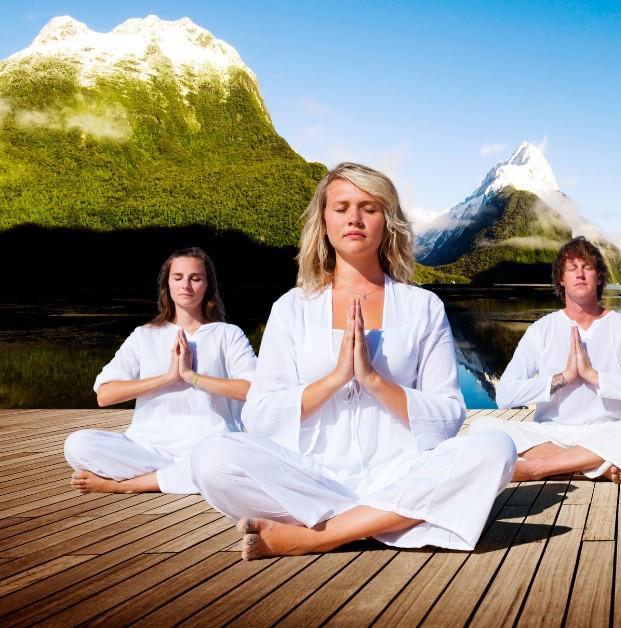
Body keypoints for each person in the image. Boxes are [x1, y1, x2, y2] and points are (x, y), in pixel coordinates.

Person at [190, 163, 516, 560]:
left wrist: (374, 380)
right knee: (210, 458)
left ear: (387, 222)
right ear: (323, 221)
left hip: (400, 472)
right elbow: (260, 414)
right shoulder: (292, 308)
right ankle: (385, 520)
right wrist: (336, 378)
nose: (354, 219)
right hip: (312, 477)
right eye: (341, 207)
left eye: (369, 208)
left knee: (497, 447)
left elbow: (448, 415)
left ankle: (321, 535)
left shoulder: (422, 307)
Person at [470, 237, 621, 484]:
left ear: (600, 276)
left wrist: (594, 377)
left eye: (587, 267)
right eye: (572, 268)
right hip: (553, 434)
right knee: (482, 428)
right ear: (561, 279)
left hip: (611, 432)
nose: (580, 274)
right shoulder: (541, 329)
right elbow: (504, 395)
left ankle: (539, 468)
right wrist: (562, 378)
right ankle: (595, 465)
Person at [66, 247, 256, 494]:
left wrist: (192, 377)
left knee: (229, 456)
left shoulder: (227, 334)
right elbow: (105, 395)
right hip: (147, 448)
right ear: (167, 283)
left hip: (207, 445)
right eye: (178, 277)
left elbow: (253, 390)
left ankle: (126, 485)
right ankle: (178, 477)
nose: (185, 285)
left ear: (208, 285)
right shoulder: (145, 335)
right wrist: (168, 378)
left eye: (195, 278)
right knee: (77, 445)